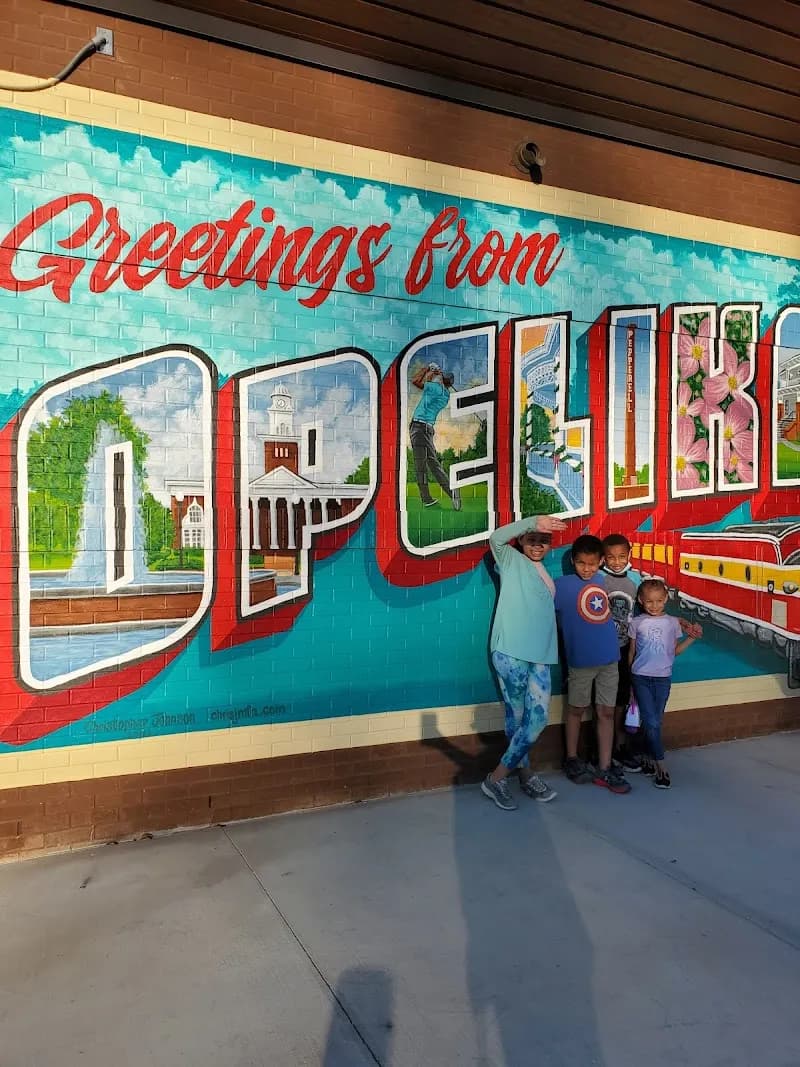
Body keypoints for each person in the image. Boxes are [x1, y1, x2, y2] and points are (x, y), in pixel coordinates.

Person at [480, 513, 567, 811]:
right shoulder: (510, 561)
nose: (537, 545)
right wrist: (532, 522)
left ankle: (498, 777)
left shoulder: (546, 574)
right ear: (522, 540)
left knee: (537, 720)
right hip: (510, 651)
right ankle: (522, 775)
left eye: (543, 541)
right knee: (517, 719)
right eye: (532, 539)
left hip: (540, 656)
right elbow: (495, 538)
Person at [554, 534, 631, 795]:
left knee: (606, 712)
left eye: (592, 563)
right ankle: (572, 759)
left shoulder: (606, 581)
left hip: (610, 660)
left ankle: (605, 765)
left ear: (601, 562)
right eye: (580, 563)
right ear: (573, 562)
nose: (586, 569)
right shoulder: (560, 586)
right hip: (580, 663)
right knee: (576, 709)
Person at [628, 579, 702, 790]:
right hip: (640, 677)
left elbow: (674, 651)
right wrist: (631, 682)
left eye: (659, 601)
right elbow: (632, 654)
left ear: (666, 599)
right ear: (641, 601)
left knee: (654, 721)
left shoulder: (672, 623)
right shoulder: (637, 623)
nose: (654, 605)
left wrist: (692, 638)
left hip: (662, 679)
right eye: (649, 601)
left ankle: (645, 756)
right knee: (651, 721)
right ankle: (662, 767)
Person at [601, 533, 643, 773]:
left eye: (621, 557)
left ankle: (620, 747)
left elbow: (642, 612)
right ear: (603, 558)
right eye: (611, 557)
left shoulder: (635, 580)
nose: (616, 562)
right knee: (603, 703)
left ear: (629, 555)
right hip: (603, 649)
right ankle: (602, 750)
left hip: (626, 649)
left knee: (622, 701)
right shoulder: (598, 579)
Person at [409, 362, 461, 510]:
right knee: (431, 464)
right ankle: (433, 497)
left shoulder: (435, 388)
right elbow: (426, 385)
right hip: (426, 429)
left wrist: (428, 369)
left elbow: (416, 381)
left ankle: (442, 495)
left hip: (419, 428)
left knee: (423, 467)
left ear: (442, 379)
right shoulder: (446, 395)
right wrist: (434, 373)